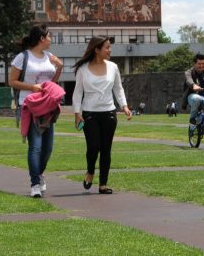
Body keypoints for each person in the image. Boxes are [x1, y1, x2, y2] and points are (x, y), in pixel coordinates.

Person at [8, 24, 64, 198]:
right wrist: (32, 87)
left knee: (48, 148)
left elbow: (52, 83)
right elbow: (12, 81)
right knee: (36, 147)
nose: (50, 40)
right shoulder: (22, 57)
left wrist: (59, 67)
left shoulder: (49, 57)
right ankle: (35, 184)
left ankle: (39, 174)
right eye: (48, 36)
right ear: (41, 38)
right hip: (29, 105)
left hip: (48, 107)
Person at [72, 36, 132, 194]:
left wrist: (124, 106)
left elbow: (118, 89)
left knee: (106, 149)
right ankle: (90, 171)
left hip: (109, 113)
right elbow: (77, 92)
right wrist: (77, 113)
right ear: (97, 50)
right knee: (93, 147)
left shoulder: (113, 67)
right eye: (107, 47)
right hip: (89, 114)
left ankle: (103, 184)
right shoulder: (83, 69)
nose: (110, 50)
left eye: (110, 47)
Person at [183, 53, 204, 142]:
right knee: (196, 98)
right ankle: (193, 119)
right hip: (192, 96)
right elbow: (189, 80)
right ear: (195, 63)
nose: (201, 66)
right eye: (199, 64)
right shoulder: (189, 72)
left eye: (203, 64)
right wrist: (193, 85)